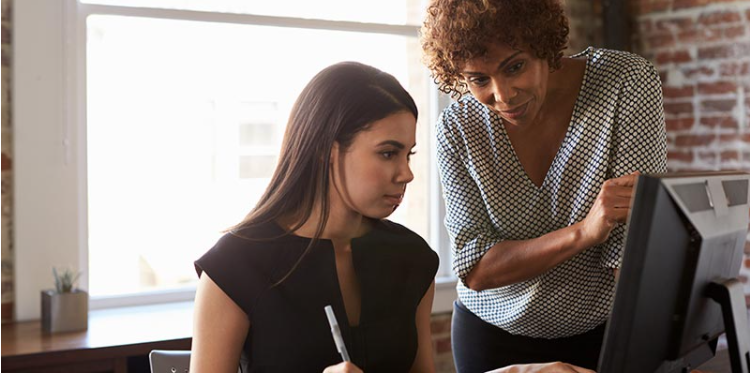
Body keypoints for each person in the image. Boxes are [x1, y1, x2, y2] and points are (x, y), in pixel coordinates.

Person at [420, 0, 668, 371]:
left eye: (515, 67)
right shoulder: (457, 129)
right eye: (478, 79)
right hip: (491, 338)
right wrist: (584, 232)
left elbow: (630, 247)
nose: (503, 96)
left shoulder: (623, 82)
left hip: (602, 334)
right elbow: (475, 269)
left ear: (545, 44)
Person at [190, 61, 439, 373]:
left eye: (409, 154)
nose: (407, 173)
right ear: (326, 150)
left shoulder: (414, 258)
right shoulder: (234, 266)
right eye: (388, 153)